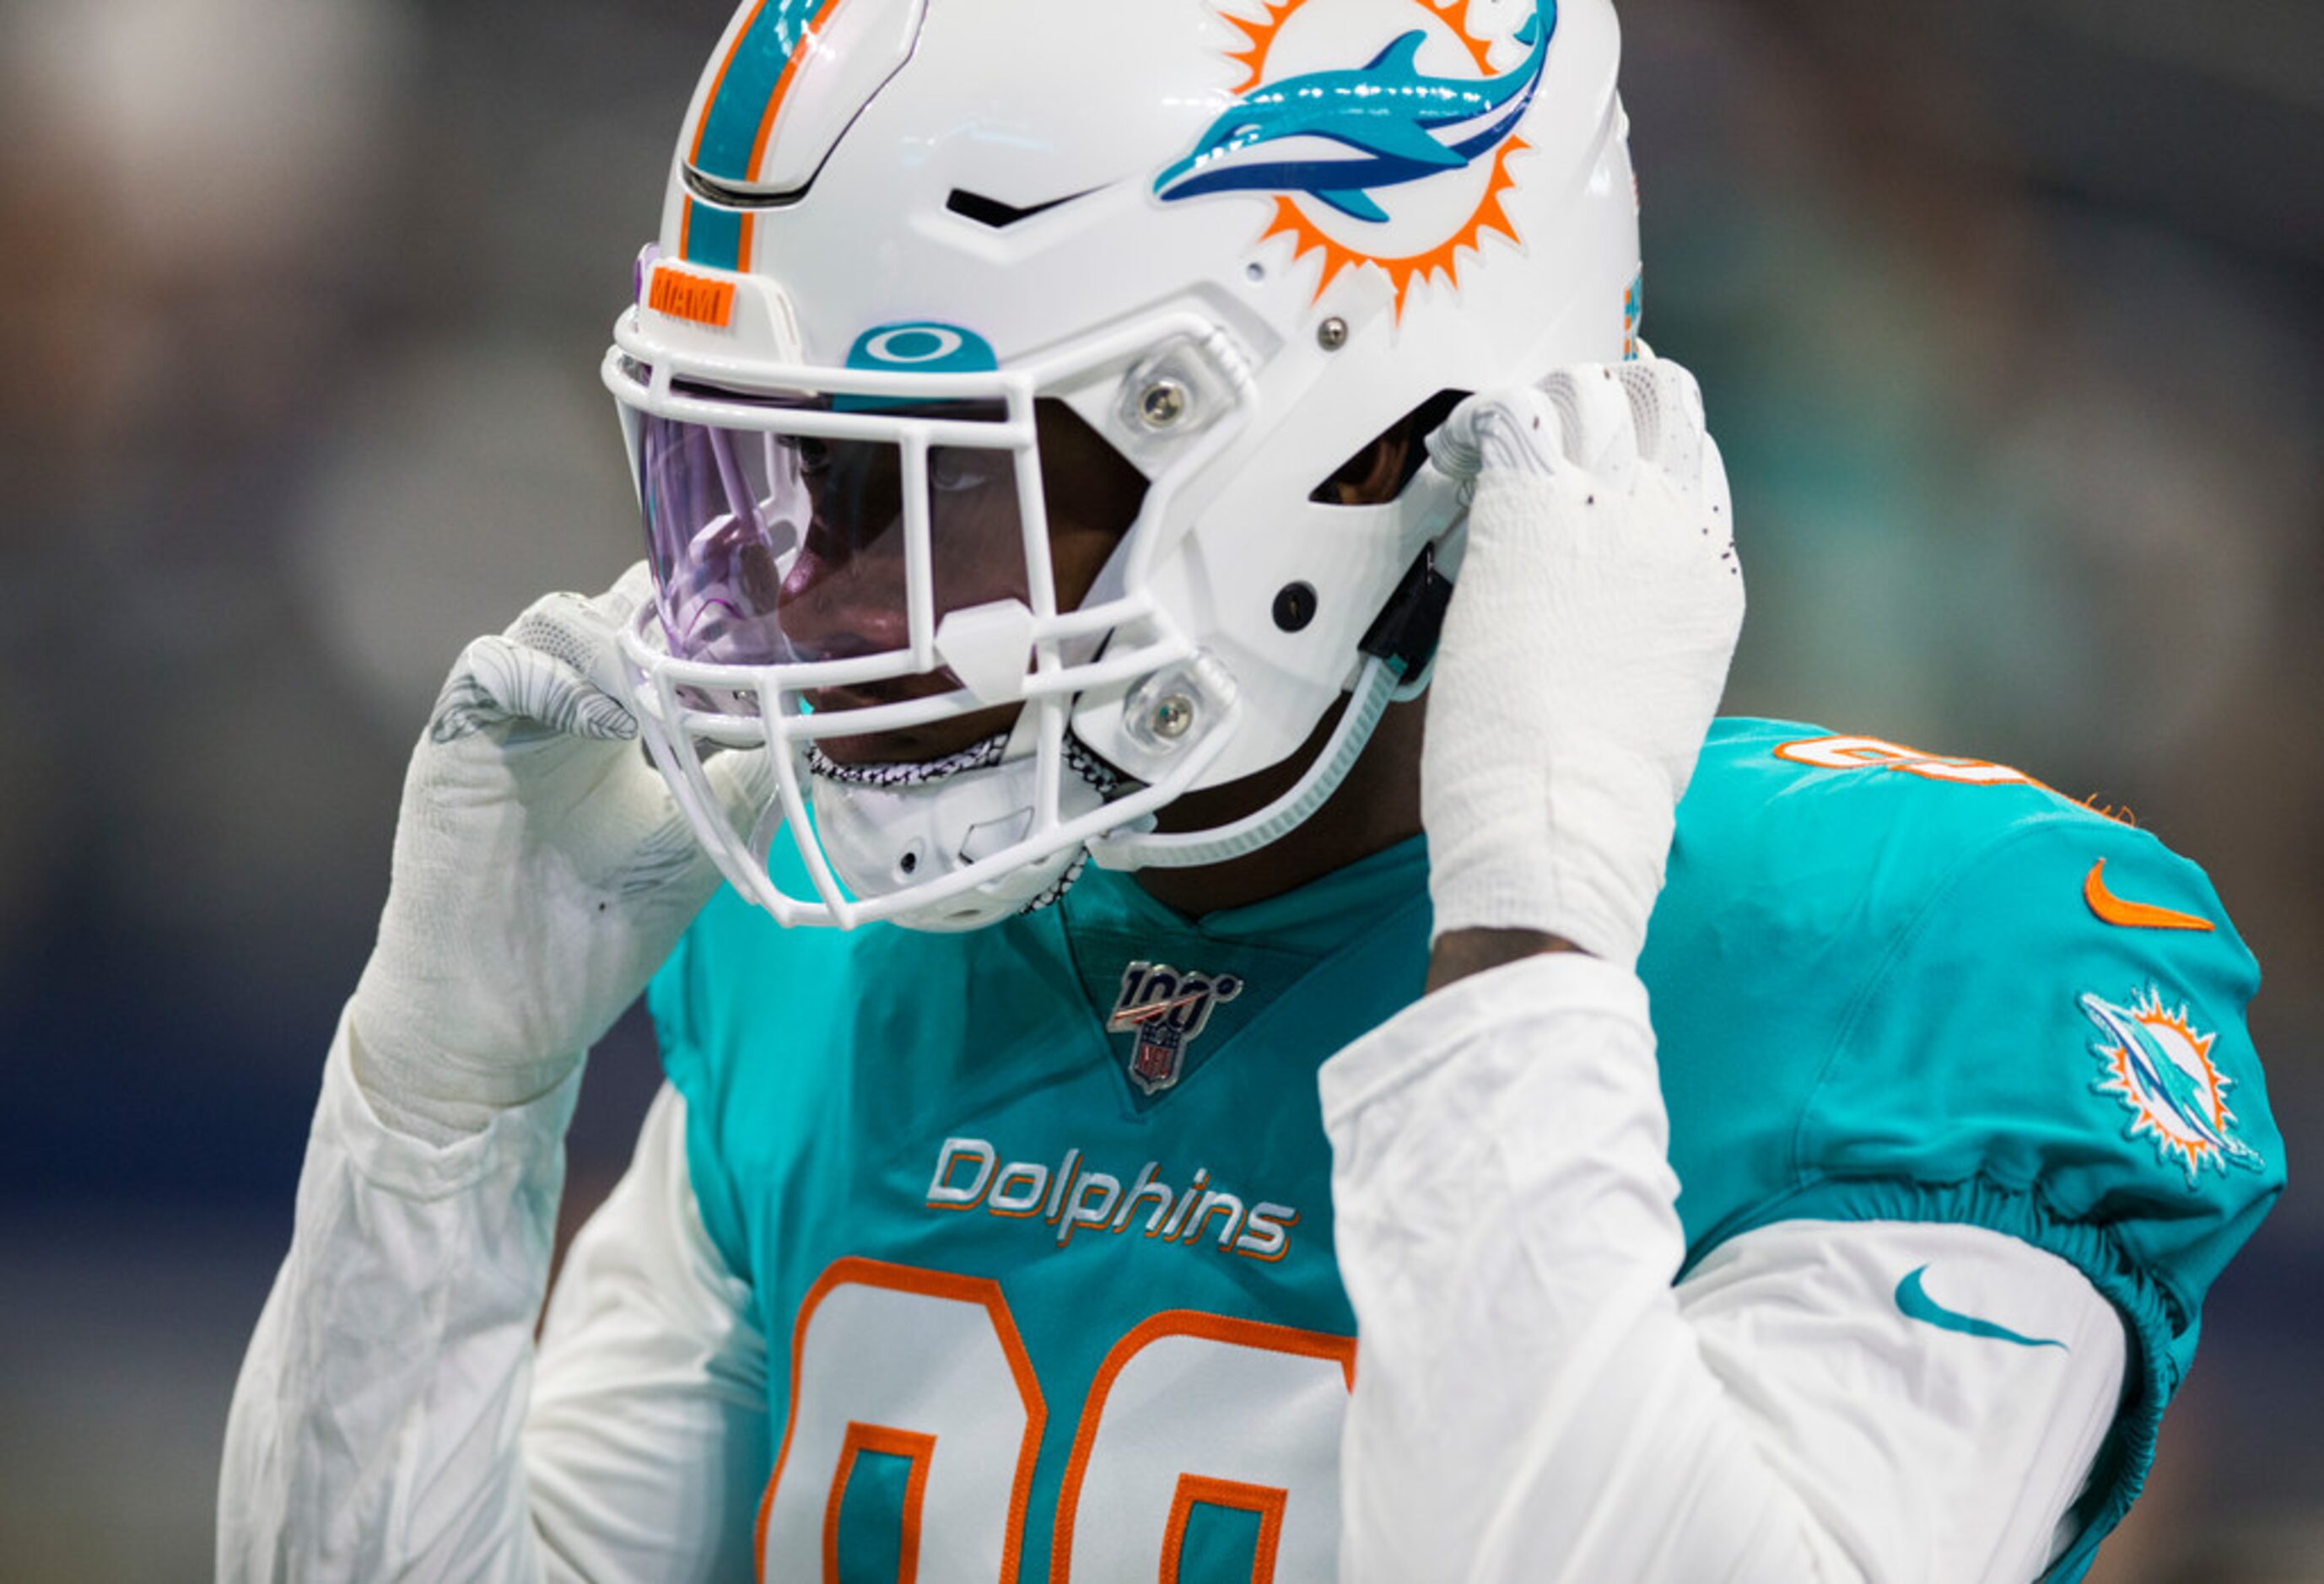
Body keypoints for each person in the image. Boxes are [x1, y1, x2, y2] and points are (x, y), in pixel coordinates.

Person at [219, 0, 2282, 1578]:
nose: (805, 609)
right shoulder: (844, 949)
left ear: (1362, 449)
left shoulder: (1902, 958)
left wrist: (1530, 943)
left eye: (927, 490)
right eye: (773, 489)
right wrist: (434, 1112)